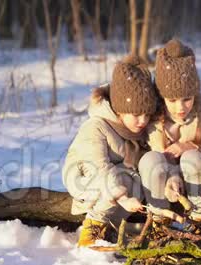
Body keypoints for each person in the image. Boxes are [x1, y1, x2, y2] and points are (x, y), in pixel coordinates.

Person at [62, 55, 157, 247]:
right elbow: (98, 168)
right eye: (136, 114)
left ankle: (116, 227)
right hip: (85, 176)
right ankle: (91, 229)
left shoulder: (136, 131)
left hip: (117, 183)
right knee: (118, 177)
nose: (143, 121)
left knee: (134, 179)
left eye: (147, 114)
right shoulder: (96, 126)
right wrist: (121, 196)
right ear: (119, 109)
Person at [138, 39, 201, 221]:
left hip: (200, 179)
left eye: (187, 99)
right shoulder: (154, 120)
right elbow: (159, 156)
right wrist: (172, 178)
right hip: (166, 182)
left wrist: (192, 146)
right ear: (162, 98)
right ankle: (159, 219)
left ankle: (200, 217)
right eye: (172, 100)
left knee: (192, 157)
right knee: (152, 160)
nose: (180, 108)